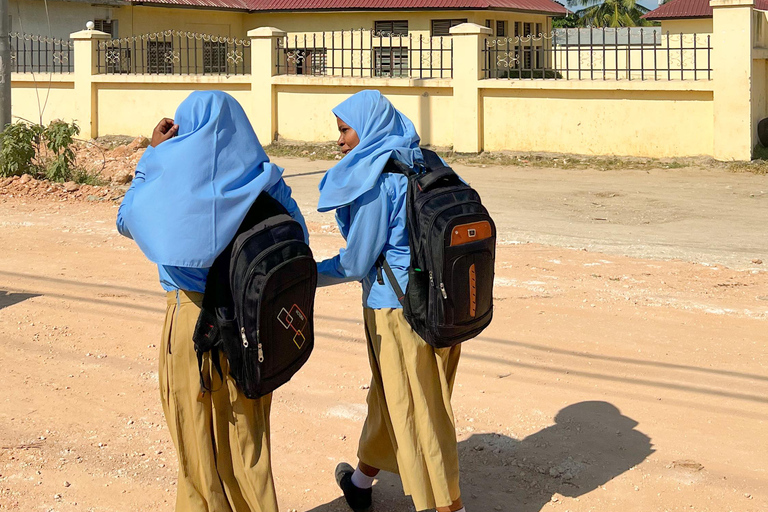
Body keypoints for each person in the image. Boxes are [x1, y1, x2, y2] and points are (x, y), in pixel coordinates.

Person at [116, 90, 307, 512]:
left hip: (189, 322)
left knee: (196, 444)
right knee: (248, 446)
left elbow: (127, 220)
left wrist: (151, 158)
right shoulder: (267, 180)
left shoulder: (169, 181)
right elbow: (297, 240)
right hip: (252, 322)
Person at [315, 90, 465, 512]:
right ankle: (361, 481)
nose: (341, 140)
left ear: (368, 127)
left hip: (398, 311)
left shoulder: (379, 180)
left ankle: (447, 505)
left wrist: (303, 276)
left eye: (346, 129)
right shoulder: (426, 161)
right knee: (393, 394)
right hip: (444, 305)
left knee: (420, 411)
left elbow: (355, 262)